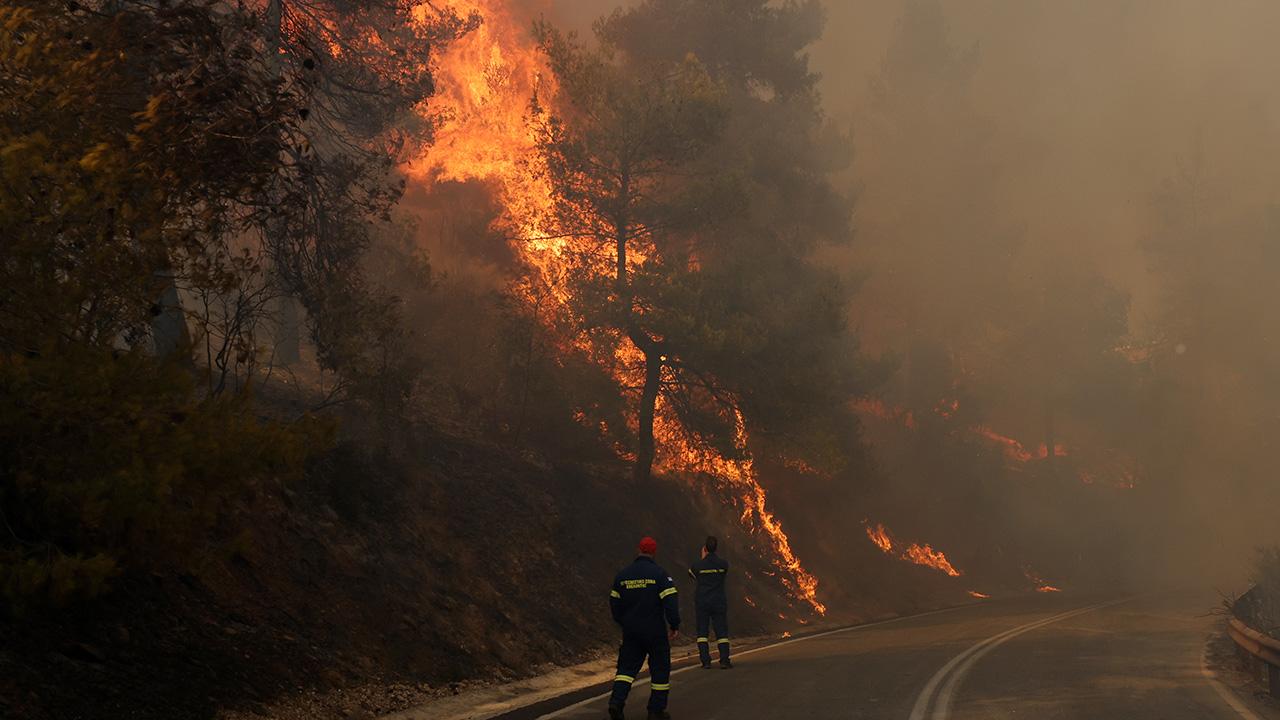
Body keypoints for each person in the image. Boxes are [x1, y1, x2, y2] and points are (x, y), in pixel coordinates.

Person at [608, 536, 680, 720]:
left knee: (626, 669)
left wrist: (624, 622)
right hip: (654, 631)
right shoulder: (660, 575)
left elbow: (614, 603)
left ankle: (616, 703)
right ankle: (655, 711)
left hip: (632, 631)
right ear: (654, 552)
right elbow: (670, 602)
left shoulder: (623, 576)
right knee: (660, 669)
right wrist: (674, 624)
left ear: (638, 550)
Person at [687, 535, 731, 669]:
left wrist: (703, 559)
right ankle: (724, 660)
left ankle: (705, 661)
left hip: (702, 601)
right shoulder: (723, 564)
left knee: (702, 633)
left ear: (705, 548)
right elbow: (723, 574)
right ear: (716, 549)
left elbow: (691, 575)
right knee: (721, 632)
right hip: (718, 601)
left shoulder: (697, 566)